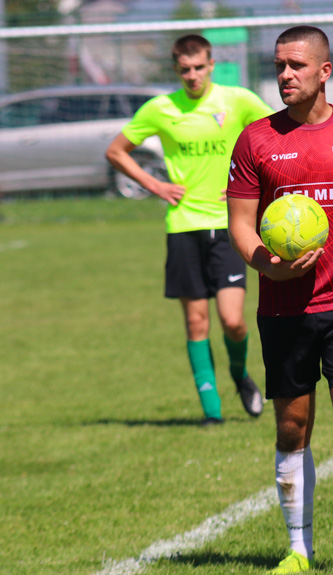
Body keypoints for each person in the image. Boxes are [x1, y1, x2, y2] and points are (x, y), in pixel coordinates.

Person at [227, 26, 333, 574]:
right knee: (292, 428)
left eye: (296, 65)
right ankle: (297, 551)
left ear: (324, 71)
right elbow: (240, 225)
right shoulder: (256, 140)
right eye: (279, 65)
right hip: (283, 309)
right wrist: (268, 266)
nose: (285, 75)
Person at [106, 35, 273, 424]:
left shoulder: (238, 100)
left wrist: (253, 184)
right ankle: (211, 413)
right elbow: (116, 151)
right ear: (176, 69)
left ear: (212, 64)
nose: (193, 76)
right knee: (196, 321)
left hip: (228, 225)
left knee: (233, 320)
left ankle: (239, 375)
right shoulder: (161, 109)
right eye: (185, 70)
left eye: (199, 67)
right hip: (182, 226)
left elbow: (275, 136)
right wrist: (156, 186)